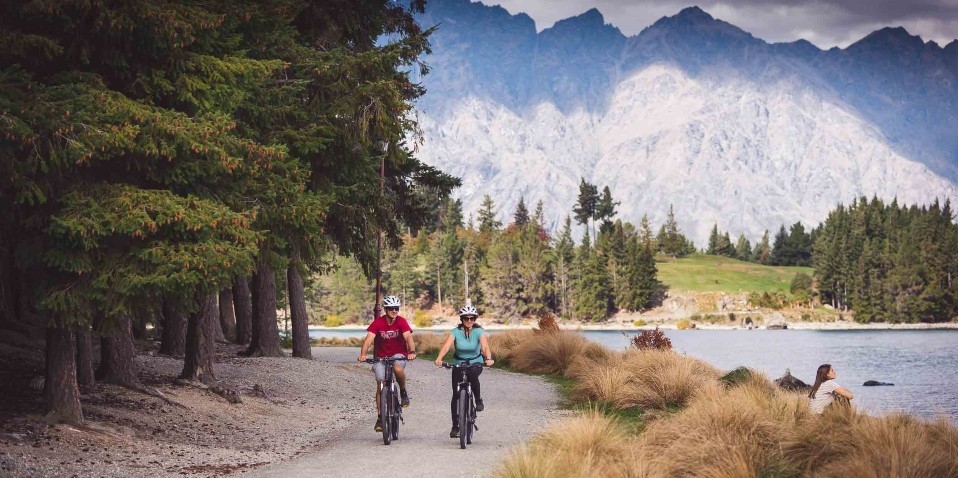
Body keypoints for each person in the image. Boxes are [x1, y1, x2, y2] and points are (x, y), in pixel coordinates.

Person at [434, 304, 494, 439]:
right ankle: (455, 425)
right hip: (458, 363)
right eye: (466, 318)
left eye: (472, 318)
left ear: (475, 319)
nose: (469, 321)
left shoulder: (479, 332)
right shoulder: (455, 332)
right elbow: (446, 346)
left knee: (473, 374)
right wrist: (439, 358)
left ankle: (478, 400)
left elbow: (484, 347)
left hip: (476, 362)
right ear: (462, 319)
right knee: (456, 395)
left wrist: (488, 358)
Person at [358, 295, 417, 432]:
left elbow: (408, 337)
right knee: (380, 384)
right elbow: (368, 340)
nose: (394, 311)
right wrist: (363, 354)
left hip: (398, 355)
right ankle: (380, 417)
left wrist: (412, 351)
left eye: (396, 308)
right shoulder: (378, 323)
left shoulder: (401, 322)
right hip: (381, 357)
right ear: (386, 309)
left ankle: (402, 391)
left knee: (397, 368)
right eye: (391, 308)